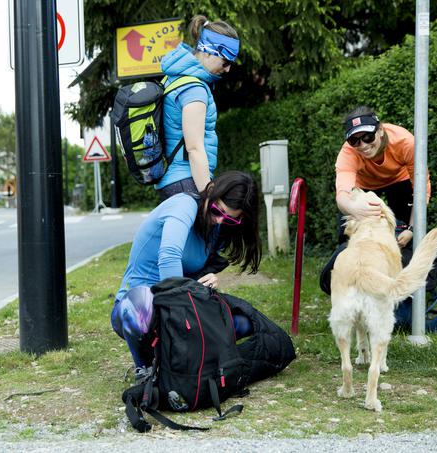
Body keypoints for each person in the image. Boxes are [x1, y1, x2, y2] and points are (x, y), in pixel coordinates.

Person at [111, 171, 261, 378]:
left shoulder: (216, 227)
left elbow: (200, 272)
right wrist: (184, 315)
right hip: (142, 307)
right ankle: (144, 368)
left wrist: (214, 279)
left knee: (243, 322)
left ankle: (183, 358)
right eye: (218, 211)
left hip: (182, 309)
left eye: (230, 219)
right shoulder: (184, 205)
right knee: (139, 307)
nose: (219, 220)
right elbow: (169, 257)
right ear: (211, 192)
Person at [319, 105, 431, 295]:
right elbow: (342, 196)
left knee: (406, 235)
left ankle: (408, 292)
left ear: (380, 131)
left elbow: (421, 192)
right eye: (355, 140)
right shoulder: (348, 153)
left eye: (368, 137)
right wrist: (354, 209)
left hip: (400, 180)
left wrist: (412, 229)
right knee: (348, 232)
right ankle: (349, 284)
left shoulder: (405, 142)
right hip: (365, 186)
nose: (362, 145)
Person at [155, 15, 240, 200]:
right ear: (208, 52)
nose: (228, 70)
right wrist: (208, 194)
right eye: (225, 62)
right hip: (188, 181)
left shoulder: (174, 77)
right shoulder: (195, 89)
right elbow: (194, 147)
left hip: (173, 180)